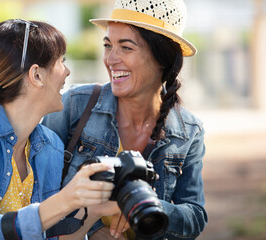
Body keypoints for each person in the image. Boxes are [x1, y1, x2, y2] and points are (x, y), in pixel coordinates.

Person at [0, 19, 116, 240]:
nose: (67, 72)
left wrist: (93, 210)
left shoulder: (50, 145)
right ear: (37, 75)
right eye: (60, 61)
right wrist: (65, 200)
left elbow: (50, 236)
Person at [42, 0, 208, 239]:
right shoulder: (74, 106)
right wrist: (95, 225)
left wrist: (137, 204)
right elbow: (38, 195)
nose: (111, 59)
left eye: (126, 48)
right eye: (108, 45)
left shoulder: (189, 131)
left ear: (162, 57)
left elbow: (195, 216)